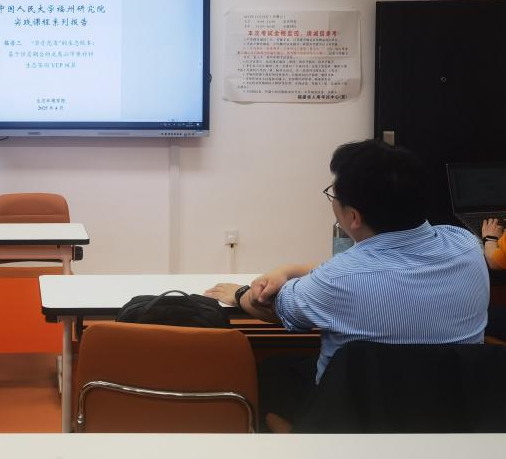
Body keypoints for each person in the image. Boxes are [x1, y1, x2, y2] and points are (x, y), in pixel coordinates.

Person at [205, 139, 489, 424]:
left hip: (353, 421)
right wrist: (289, 270)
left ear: (353, 217)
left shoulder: (338, 281)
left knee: (270, 371)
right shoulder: (466, 246)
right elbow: (368, 270)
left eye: (334, 195)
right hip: (452, 417)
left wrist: (239, 294)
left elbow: (269, 306)